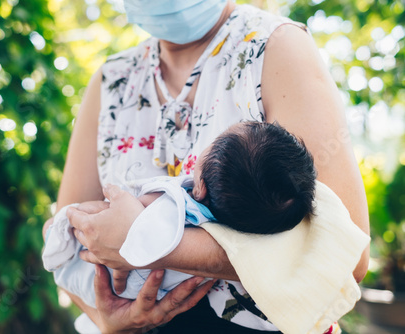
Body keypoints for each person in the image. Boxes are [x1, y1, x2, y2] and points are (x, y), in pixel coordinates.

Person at [43, 0, 370, 332]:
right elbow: (66, 229)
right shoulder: (112, 80)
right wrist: (107, 319)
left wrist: (148, 243)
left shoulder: (274, 47)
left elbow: (345, 256)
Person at [42, 121, 316, 318]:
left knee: (56, 227)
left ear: (201, 188)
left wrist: (120, 210)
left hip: (113, 283)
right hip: (140, 299)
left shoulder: (175, 204)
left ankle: (57, 251)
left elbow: (135, 232)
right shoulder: (231, 224)